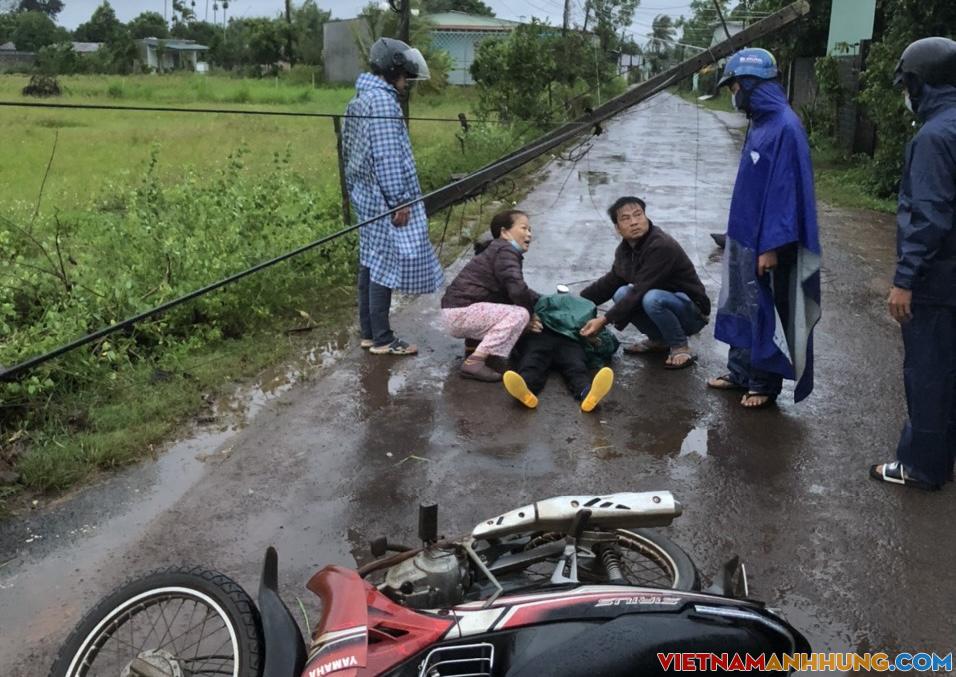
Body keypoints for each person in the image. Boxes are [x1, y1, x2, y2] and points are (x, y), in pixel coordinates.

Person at [706, 48, 821, 409]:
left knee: (762, 309)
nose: (732, 94)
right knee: (739, 304)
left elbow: (785, 192)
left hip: (766, 244)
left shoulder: (786, 127)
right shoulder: (760, 123)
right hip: (743, 235)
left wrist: (770, 246)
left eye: (734, 86)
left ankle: (763, 383)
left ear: (751, 84)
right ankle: (739, 372)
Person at [870, 37, 956, 491]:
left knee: (927, 375)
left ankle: (922, 466)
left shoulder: (934, 136)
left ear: (919, 83)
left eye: (906, 83)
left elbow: (930, 215)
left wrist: (905, 280)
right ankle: (945, 456)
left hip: (937, 282)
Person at [342, 37, 443, 357]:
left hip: (366, 195)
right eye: (404, 74)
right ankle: (384, 339)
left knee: (370, 262)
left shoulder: (361, 98)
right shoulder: (384, 102)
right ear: (393, 69)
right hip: (385, 198)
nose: (407, 81)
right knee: (383, 266)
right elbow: (386, 157)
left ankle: (370, 334)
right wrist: (399, 200)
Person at [579, 197, 710, 369]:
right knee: (621, 293)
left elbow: (640, 290)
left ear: (646, 217)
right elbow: (611, 282)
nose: (634, 222)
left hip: (692, 312)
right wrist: (579, 302)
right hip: (664, 304)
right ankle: (659, 340)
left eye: (638, 215)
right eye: (626, 218)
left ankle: (680, 346)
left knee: (651, 297)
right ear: (617, 228)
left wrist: (604, 320)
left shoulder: (661, 245)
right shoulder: (625, 250)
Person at [441, 210, 542, 382]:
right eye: (524, 228)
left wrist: (541, 299)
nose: (529, 234)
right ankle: (474, 362)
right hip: (460, 314)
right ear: (504, 232)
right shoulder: (505, 250)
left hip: (457, 312)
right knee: (520, 314)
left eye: (530, 230)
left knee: (504, 303)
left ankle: (473, 348)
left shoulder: (497, 250)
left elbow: (511, 290)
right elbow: (517, 289)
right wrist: (531, 316)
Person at [502, 293, 618, 412]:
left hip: (541, 338)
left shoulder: (540, 309)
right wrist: (595, 341)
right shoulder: (587, 320)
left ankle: (525, 388)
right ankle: (587, 393)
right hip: (571, 342)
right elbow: (610, 344)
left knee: (532, 363)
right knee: (577, 369)